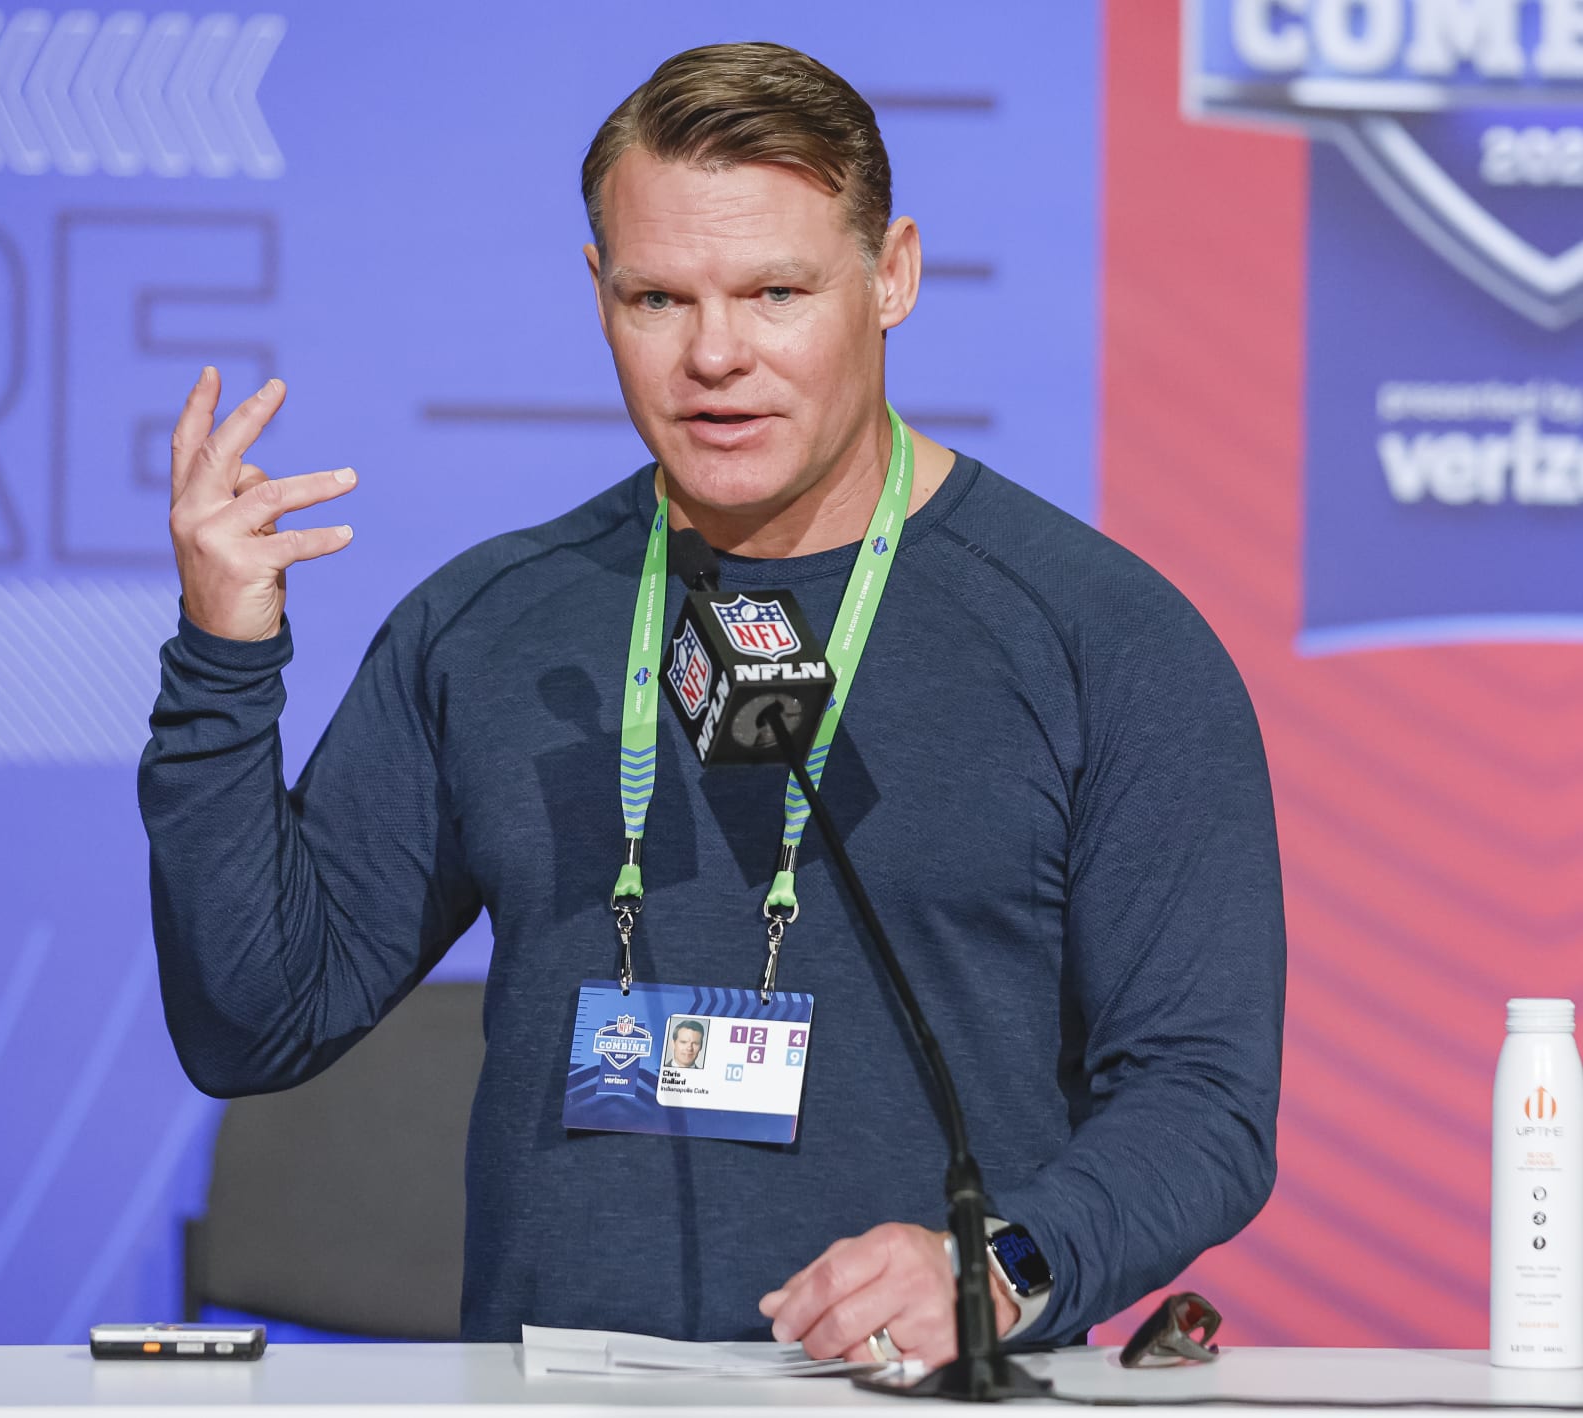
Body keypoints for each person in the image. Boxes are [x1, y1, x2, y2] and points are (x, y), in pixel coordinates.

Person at [140, 41, 1284, 1364]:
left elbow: (1202, 1102)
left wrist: (1001, 1267)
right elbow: (256, 1021)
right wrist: (222, 659)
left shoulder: (1102, 640)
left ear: (893, 275)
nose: (716, 355)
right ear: (598, 293)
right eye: (659, 299)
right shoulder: (493, 627)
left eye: (776, 292)